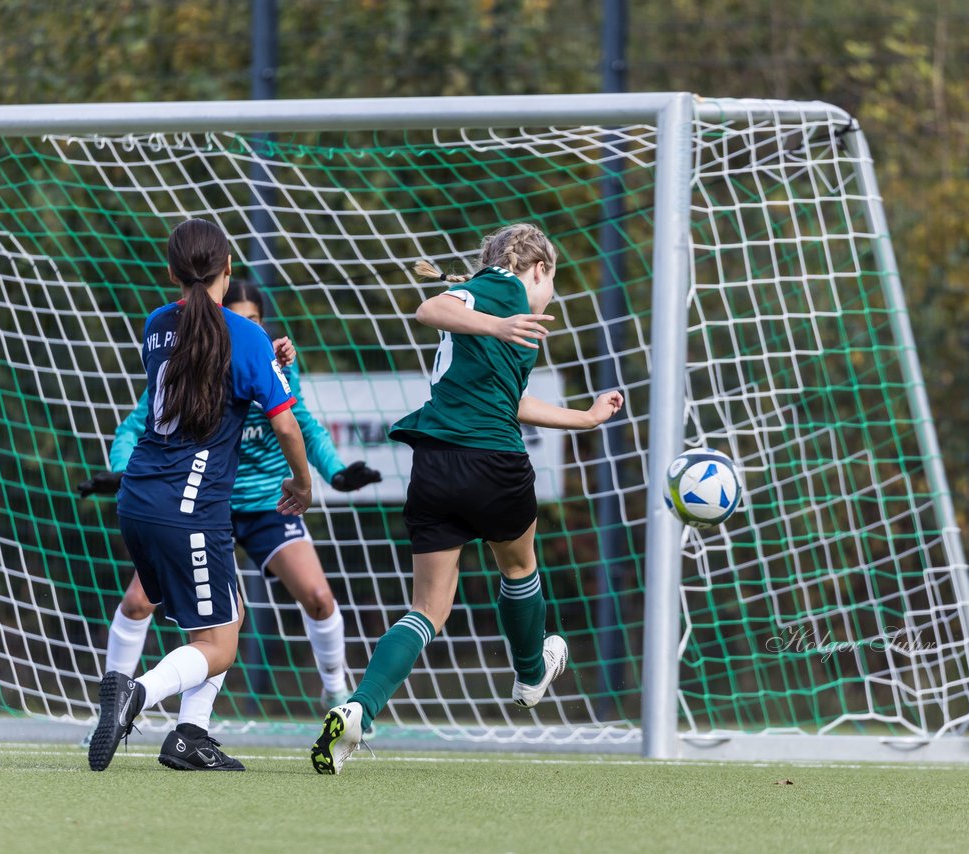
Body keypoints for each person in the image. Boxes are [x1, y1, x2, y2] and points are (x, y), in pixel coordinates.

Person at [309, 223, 624, 775]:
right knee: (520, 564)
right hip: (492, 461)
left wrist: (583, 417)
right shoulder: (503, 286)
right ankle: (530, 675)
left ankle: (359, 708)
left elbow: (512, 398)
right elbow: (430, 310)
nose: (550, 295)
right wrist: (500, 320)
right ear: (540, 268)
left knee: (427, 608)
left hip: (435, 466)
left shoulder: (495, 309)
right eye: (552, 280)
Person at [78, 280, 381, 770]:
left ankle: (338, 701)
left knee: (312, 598)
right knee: (167, 612)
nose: (244, 326)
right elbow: (141, 422)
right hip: (198, 504)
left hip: (262, 505)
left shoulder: (260, 357)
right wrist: (119, 467)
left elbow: (299, 424)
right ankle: (134, 707)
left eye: (253, 320)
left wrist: (335, 474)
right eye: (235, 316)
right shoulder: (195, 356)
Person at [88, 218, 313, 773]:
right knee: (220, 645)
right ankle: (136, 694)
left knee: (222, 615)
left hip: (138, 500)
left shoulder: (157, 324)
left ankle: (190, 737)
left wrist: (262, 359)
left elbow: (203, 361)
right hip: (190, 509)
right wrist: (303, 483)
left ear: (171, 272)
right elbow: (285, 425)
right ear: (228, 268)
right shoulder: (247, 336)